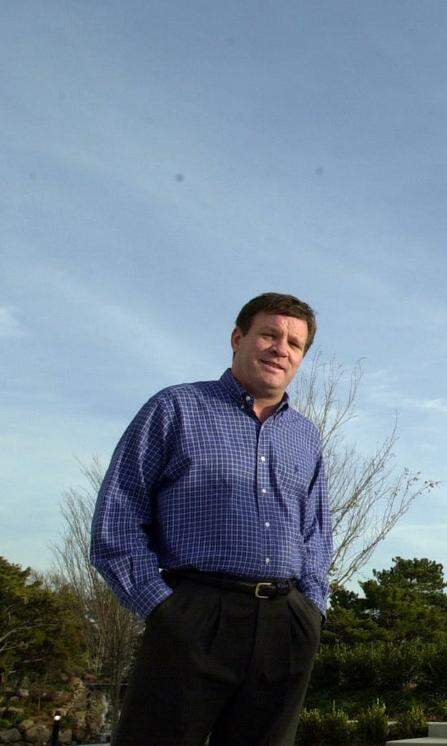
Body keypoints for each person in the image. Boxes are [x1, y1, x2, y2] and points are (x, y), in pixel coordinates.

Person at [91, 292, 332, 746]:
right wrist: (164, 609)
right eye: (269, 334)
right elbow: (116, 522)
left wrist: (311, 611)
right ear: (238, 338)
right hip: (194, 614)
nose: (281, 348)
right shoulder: (175, 409)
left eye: (294, 344)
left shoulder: (306, 436)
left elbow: (317, 534)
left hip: (285, 626)